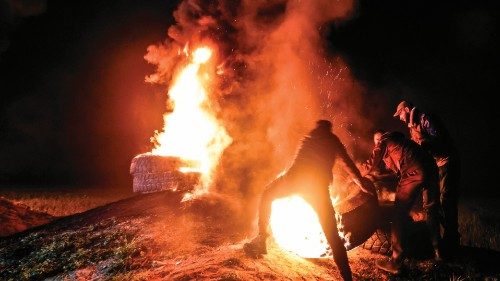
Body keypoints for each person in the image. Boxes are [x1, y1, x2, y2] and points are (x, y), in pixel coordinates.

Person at [244, 119, 375, 281]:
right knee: (332, 235)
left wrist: (361, 183)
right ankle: (347, 277)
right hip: (314, 187)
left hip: (295, 181)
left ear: (319, 128)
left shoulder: (310, 136)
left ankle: (261, 238)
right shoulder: (332, 141)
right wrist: (361, 183)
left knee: (267, 195)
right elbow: (348, 165)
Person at [393, 100, 461, 255]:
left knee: (446, 200)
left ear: (407, 109)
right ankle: (445, 240)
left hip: (447, 162)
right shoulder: (413, 126)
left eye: (400, 114)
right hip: (436, 165)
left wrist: (422, 143)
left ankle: (452, 240)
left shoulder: (425, 119)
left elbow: (440, 140)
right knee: (436, 203)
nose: (400, 118)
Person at [372, 131, 442, 274]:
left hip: (415, 172)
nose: (378, 141)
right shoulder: (401, 144)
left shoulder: (384, 142)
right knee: (431, 209)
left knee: (398, 214)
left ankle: (396, 262)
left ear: (383, 137)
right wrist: (379, 177)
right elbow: (398, 172)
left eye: (379, 139)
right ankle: (439, 252)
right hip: (431, 168)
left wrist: (359, 175)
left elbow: (371, 162)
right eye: (376, 140)